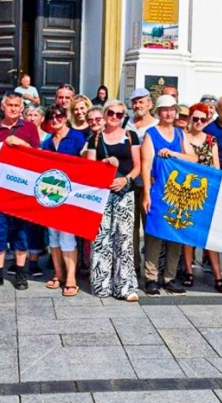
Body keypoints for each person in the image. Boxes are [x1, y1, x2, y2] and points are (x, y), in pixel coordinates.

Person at [0, 92, 42, 290]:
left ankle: (20, 273)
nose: (13, 108)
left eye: (17, 105)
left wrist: (21, 143)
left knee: (21, 232)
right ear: (3, 106)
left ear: (21, 108)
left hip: (21, 190)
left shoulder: (29, 128)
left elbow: (38, 157)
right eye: (10, 105)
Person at [84, 99, 141, 301]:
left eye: (119, 114)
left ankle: (125, 286)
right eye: (111, 113)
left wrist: (126, 179)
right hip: (102, 193)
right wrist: (104, 163)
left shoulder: (131, 136)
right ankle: (102, 284)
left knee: (124, 238)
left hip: (124, 192)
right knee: (102, 238)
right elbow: (90, 168)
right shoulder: (95, 138)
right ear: (105, 113)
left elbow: (138, 166)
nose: (114, 117)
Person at [141, 95, 191, 295]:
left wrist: (174, 153)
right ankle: (151, 277)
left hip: (178, 191)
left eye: (172, 109)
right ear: (159, 112)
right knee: (154, 234)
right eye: (165, 109)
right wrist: (146, 194)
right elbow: (145, 166)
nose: (169, 113)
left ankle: (170, 277)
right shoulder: (151, 134)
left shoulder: (180, 133)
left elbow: (193, 158)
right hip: (158, 190)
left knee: (175, 234)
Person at [38, 104, 87, 296]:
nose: (55, 120)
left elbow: (86, 162)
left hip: (72, 194)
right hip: (51, 194)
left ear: (65, 117)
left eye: (59, 116)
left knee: (67, 236)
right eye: (51, 117)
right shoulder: (48, 142)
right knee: (53, 236)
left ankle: (71, 278)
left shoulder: (77, 137)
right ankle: (58, 273)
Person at [179, 103, 222, 292]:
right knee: (187, 233)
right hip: (186, 191)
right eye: (196, 118)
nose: (199, 122)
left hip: (207, 192)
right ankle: (189, 271)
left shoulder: (211, 140)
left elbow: (216, 168)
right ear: (190, 118)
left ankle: (218, 275)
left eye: (203, 119)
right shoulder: (182, 137)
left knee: (210, 235)